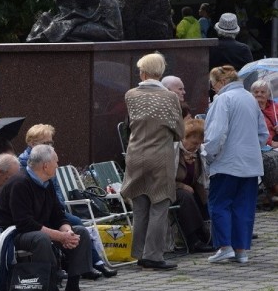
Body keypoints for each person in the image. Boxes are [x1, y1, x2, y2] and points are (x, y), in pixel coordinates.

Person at [0, 144, 100, 291]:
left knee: (80, 232)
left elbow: (58, 214)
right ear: (45, 165)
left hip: (36, 228)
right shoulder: (20, 183)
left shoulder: (47, 183)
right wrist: (58, 236)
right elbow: (24, 223)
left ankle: (72, 288)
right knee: (40, 239)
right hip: (13, 233)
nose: (58, 165)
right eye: (56, 162)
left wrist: (67, 232)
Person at [18, 124, 117, 279]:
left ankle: (79, 280)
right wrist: (60, 230)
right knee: (73, 222)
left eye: (51, 143)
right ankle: (77, 269)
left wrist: (61, 216)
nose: (51, 147)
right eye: (46, 143)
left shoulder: (48, 170)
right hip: (34, 220)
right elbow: (25, 217)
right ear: (32, 143)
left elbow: (55, 192)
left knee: (77, 230)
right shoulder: (24, 170)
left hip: (52, 210)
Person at [120, 53, 184, 270]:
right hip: (160, 156)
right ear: (161, 72)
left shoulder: (130, 95)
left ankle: (138, 253)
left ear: (143, 72)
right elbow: (179, 130)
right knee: (159, 204)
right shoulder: (170, 98)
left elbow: (130, 124)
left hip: (135, 155)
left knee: (139, 206)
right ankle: (153, 256)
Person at [204, 66, 268, 264]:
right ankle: (241, 250)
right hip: (250, 164)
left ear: (221, 83)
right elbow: (263, 134)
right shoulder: (250, 98)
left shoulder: (223, 99)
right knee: (244, 207)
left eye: (213, 85)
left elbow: (216, 133)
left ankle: (225, 247)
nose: (214, 89)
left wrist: (207, 153)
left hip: (227, 163)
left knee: (220, 204)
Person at [173, 120, 213, 253]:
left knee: (204, 195)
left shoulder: (197, 153)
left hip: (190, 188)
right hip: (169, 188)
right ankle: (193, 240)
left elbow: (199, 179)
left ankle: (209, 234)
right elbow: (164, 178)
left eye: (199, 144)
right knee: (186, 196)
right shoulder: (174, 151)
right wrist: (181, 186)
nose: (196, 147)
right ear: (184, 137)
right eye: (194, 143)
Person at [251, 80, 278, 203]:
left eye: (262, 92)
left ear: (268, 94)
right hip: (261, 145)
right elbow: (254, 130)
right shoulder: (250, 109)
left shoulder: (274, 107)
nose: (259, 95)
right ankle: (273, 190)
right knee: (271, 159)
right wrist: (270, 143)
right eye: (256, 92)